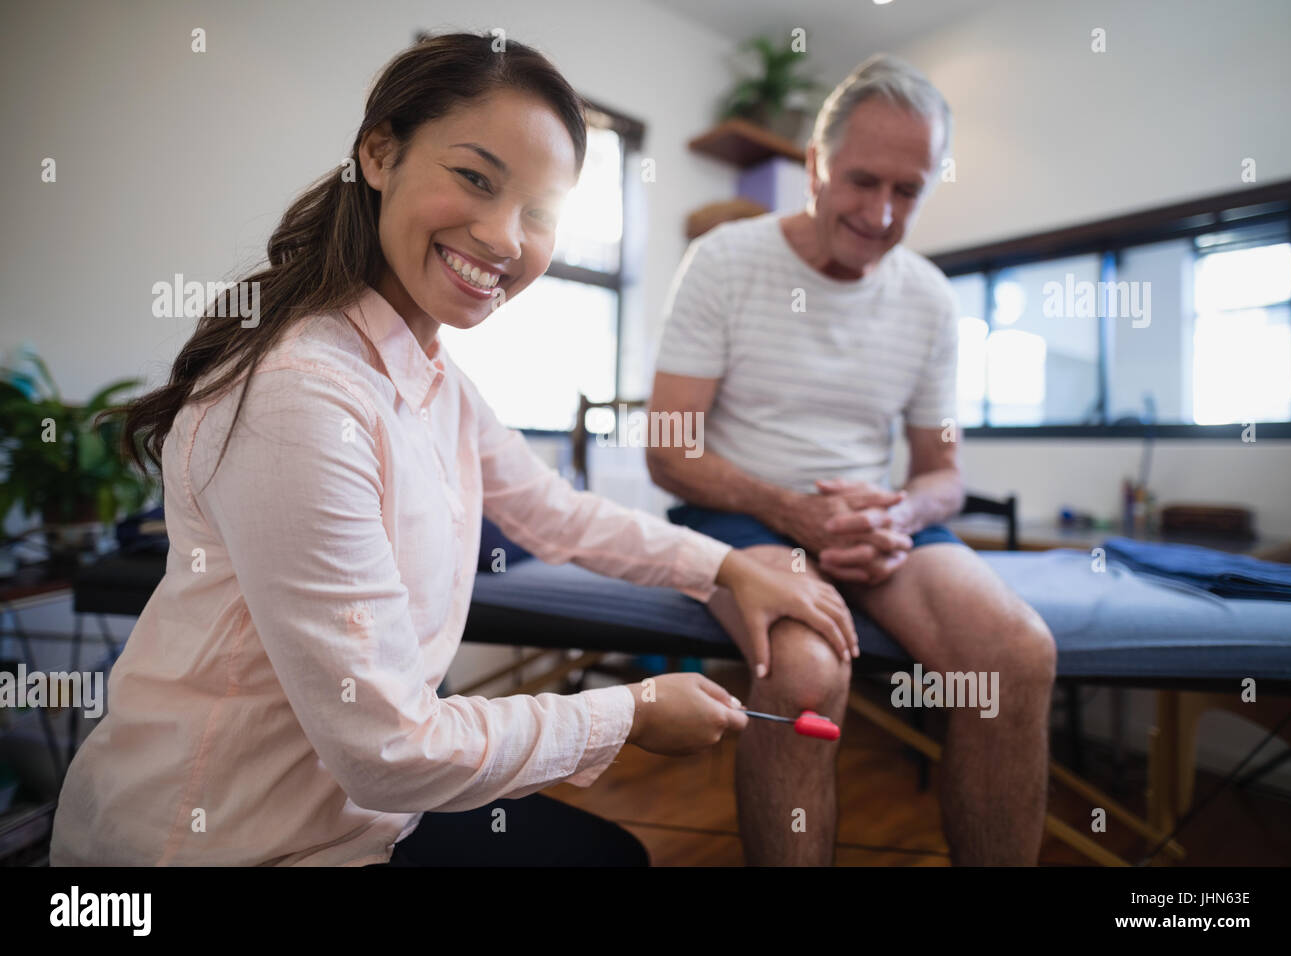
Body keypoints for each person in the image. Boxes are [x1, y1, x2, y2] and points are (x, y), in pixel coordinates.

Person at [49, 33, 857, 867]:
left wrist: (729, 569)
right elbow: (390, 748)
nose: (507, 238)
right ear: (379, 152)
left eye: (540, 214)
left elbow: (558, 514)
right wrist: (635, 710)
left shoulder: (433, 377)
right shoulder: (303, 394)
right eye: (475, 178)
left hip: (365, 820)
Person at [648, 54, 1058, 866]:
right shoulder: (725, 260)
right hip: (743, 513)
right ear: (815, 166)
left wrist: (902, 510)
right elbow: (670, 450)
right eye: (861, 181)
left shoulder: (930, 298)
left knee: (1017, 656)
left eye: (907, 191)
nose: (879, 213)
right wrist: (795, 511)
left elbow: (944, 473)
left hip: (879, 521)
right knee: (805, 678)